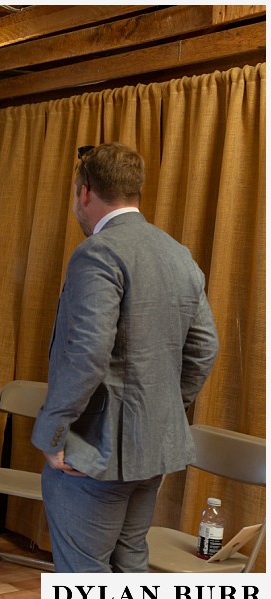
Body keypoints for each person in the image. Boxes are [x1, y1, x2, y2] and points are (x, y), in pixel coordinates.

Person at [31, 142, 219, 573]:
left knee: (85, 577)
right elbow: (205, 348)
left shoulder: (98, 252)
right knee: (130, 564)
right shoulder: (179, 255)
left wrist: (53, 433)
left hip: (95, 450)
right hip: (153, 449)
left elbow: (87, 353)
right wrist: (161, 406)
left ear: (84, 192)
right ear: (135, 191)